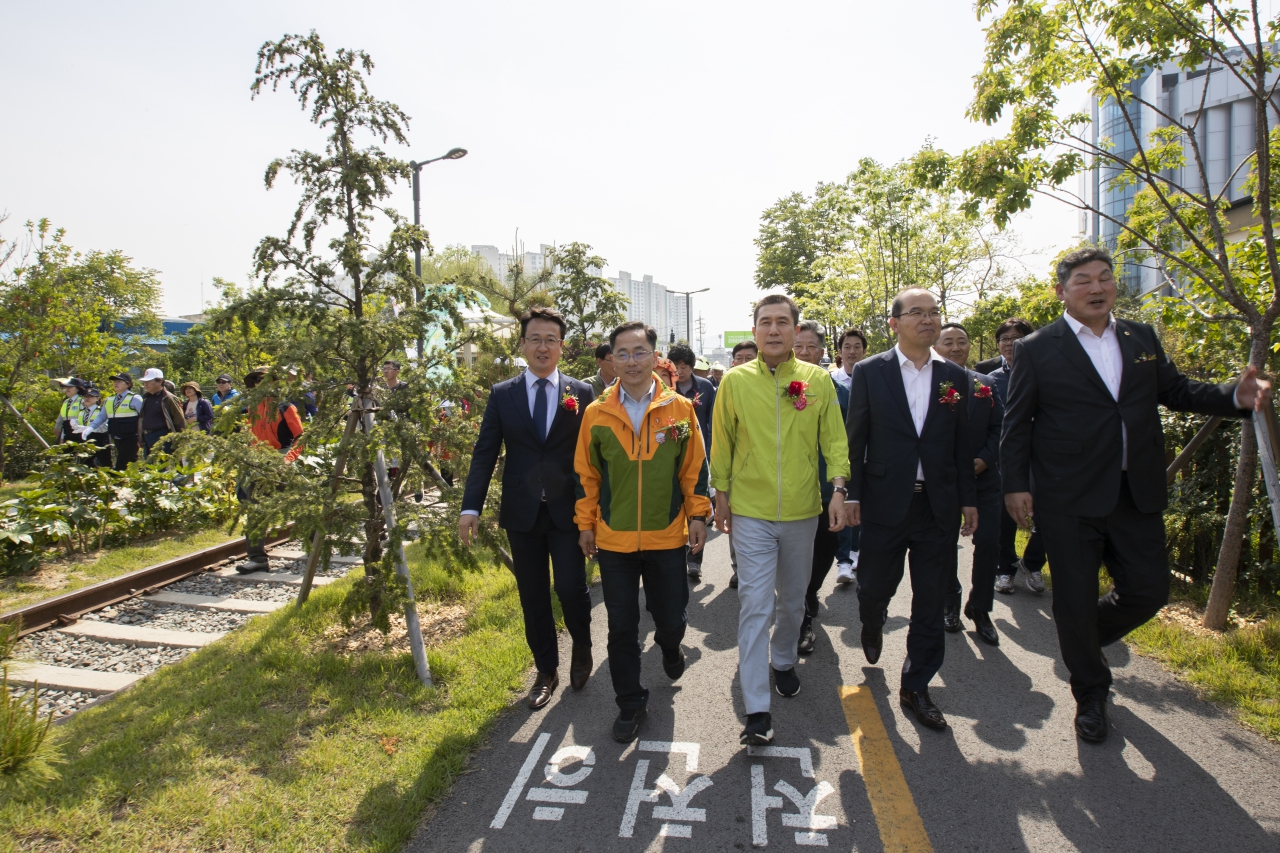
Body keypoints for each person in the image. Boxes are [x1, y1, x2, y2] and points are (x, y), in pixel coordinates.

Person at [1002, 246, 1271, 743]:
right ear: (1062, 291)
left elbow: (1177, 390)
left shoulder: (1140, 337)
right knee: (1075, 599)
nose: (1098, 287)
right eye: (1084, 280)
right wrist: (1015, 486)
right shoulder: (1039, 348)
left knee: (1149, 591)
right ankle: (1090, 694)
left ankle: (1083, 639)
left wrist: (1235, 395)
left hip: (1135, 491)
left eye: (1105, 277)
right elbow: (1017, 425)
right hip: (1068, 498)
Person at [711, 294, 848, 746]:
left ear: (795, 331)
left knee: (793, 600)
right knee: (755, 605)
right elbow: (723, 442)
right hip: (750, 512)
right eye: (765, 322)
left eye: (782, 323)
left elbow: (834, 440)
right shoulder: (734, 381)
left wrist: (840, 490)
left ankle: (784, 659)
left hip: (803, 511)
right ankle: (756, 711)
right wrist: (721, 495)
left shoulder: (816, 381)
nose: (773, 330)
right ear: (754, 331)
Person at [846, 288, 978, 732]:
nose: (928, 320)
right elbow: (856, 438)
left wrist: (967, 499)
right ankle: (871, 620)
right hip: (885, 502)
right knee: (873, 587)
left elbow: (962, 444)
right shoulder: (870, 372)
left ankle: (916, 685)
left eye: (934, 313)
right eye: (917, 313)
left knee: (930, 601)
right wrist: (851, 496)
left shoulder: (954, 378)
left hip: (936, 506)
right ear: (895, 323)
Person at [575, 321, 711, 742]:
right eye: (623, 353)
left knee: (670, 617)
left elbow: (693, 469)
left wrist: (698, 516)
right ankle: (630, 702)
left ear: (655, 357)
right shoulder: (597, 414)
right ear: (611, 359)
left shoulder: (679, 410)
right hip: (614, 540)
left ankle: (671, 646)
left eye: (639, 352)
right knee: (621, 626)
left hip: (667, 537)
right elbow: (587, 476)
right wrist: (586, 525)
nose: (631, 361)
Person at [459, 307, 596, 710]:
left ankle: (583, 645)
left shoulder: (582, 394)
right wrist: (471, 507)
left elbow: (593, 455)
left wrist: (597, 510)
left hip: (567, 512)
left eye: (550, 339)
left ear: (561, 347)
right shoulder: (503, 394)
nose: (542, 347)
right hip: (521, 513)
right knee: (532, 595)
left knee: (571, 588)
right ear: (523, 344)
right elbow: (485, 453)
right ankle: (546, 671)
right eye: (534, 339)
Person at [935, 322, 1004, 646]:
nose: (955, 347)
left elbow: (999, 427)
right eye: (948, 342)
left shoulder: (986, 384)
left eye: (961, 341)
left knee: (989, 542)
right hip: (946, 481)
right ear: (936, 346)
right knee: (946, 545)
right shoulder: (931, 384)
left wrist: (985, 459)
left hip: (984, 480)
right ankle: (950, 602)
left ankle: (980, 608)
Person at [792, 320, 850, 657]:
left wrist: (845, 491)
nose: (802, 352)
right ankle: (800, 618)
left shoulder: (841, 392)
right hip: (792, 491)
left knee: (824, 551)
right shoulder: (780, 388)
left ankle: (810, 592)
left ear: (823, 351)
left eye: (809, 346)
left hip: (829, 491)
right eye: (797, 346)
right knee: (793, 560)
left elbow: (850, 442)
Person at [982, 317, 1044, 596]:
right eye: (1004, 339)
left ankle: (1032, 562)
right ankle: (1004, 569)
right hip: (1006, 457)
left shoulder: (1045, 371)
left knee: (1049, 513)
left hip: (1043, 455)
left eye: (1016, 338)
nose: (1009, 344)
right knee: (1004, 516)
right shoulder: (992, 379)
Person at [238, 367, 306, 572]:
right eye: (256, 380)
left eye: (264, 379)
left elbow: (301, 438)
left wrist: (288, 460)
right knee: (255, 511)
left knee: (302, 504)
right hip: (259, 462)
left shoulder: (286, 407)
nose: (260, 383)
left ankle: (316, 548)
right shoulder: (251, 408)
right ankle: (257, 558)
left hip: (283, 459)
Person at [667, 344, 717, 581]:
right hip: (671, 456)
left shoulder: (705, 386)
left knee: (698, 508)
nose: (680, 371)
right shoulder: (666, 387)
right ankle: (675, 558)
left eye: (684, 366)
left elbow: (713, 420)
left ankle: (695, 560)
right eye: (676, 367)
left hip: (701, 454)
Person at [830, 327, 868, 585]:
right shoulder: (831, 381)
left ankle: (857, 552)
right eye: (847, 347)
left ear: (864, 351)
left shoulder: (874, 377)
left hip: (867, 454)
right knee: (843, 501)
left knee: (862, 504)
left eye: (857, 347)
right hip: (840, 455)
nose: (852, 351)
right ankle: (843, 561)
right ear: (840, 353)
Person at [724, 339, 760, 589]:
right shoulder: (729, 386)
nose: (745, 363)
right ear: (733, 362)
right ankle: (739, 568)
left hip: (767, 475)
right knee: (735, 524)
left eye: (751, 358)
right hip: (737, 474)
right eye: (740, 359)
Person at [138, 368, 186, 458]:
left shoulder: (168, 398)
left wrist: (179, 441)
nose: (145, 384)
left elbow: (179, 420)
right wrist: (141, 437)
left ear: (159, 381)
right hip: (147, 437)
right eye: (144, 381)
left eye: (149, 381)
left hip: (163, 436)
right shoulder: (146, 398)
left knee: (161, 467)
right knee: (149, 468)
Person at [102, 373, 143, 469]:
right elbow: (101, 417)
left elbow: (143, 417)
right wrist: (90, 428)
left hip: (131, 437)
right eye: (115, 382)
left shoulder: (135, 399)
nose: (116, 383)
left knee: (121, 465)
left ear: (128, 384)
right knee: (131, 462)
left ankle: (119, 482)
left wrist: (142, 436)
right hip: (116, 436)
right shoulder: (109, 400)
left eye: (119, 381)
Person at [72, 386, 112, 467]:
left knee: (105, 465)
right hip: (84, 440)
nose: (87, 398)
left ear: (97, 398)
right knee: (83, 465)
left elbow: (106, 427)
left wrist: (89, 429)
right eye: (85, 396)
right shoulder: (81, 412)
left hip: (100, 439)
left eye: (90, 396)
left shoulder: (101, 411)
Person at [53, 378, 88, 445]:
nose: (67, 389)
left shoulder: (82, 400)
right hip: (66, 431)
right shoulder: (66, 401)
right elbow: (61, 416)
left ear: (78, 388)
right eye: (67, 387)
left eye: (70, 387)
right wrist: (57, 427)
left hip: (78, 432)